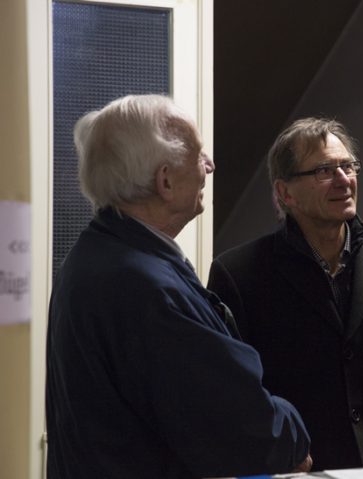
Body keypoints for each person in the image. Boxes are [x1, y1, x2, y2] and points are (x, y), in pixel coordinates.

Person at [45, 94, 311, 479]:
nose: (210, 165)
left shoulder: (93, 255)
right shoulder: (146, 286)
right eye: (199, 155)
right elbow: (248, 433)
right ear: (166, 181)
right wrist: (291, 436)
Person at [207, 117, 363, 470]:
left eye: (347, 166)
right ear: (285, 193)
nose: (343, 179)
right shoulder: (238, 275)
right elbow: (233, 398)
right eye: (323, 170)